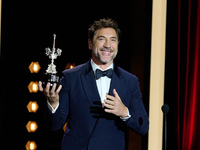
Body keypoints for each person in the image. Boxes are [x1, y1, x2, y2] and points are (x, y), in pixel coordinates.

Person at [38, 18, 149, 150]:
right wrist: (53, 104)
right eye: (102, 39)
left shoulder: (130, 81)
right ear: (90, 44)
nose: (108, 45)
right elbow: (54, 125)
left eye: (113, 40)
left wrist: (124, 112)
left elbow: (144, 128)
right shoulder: (71, 77)